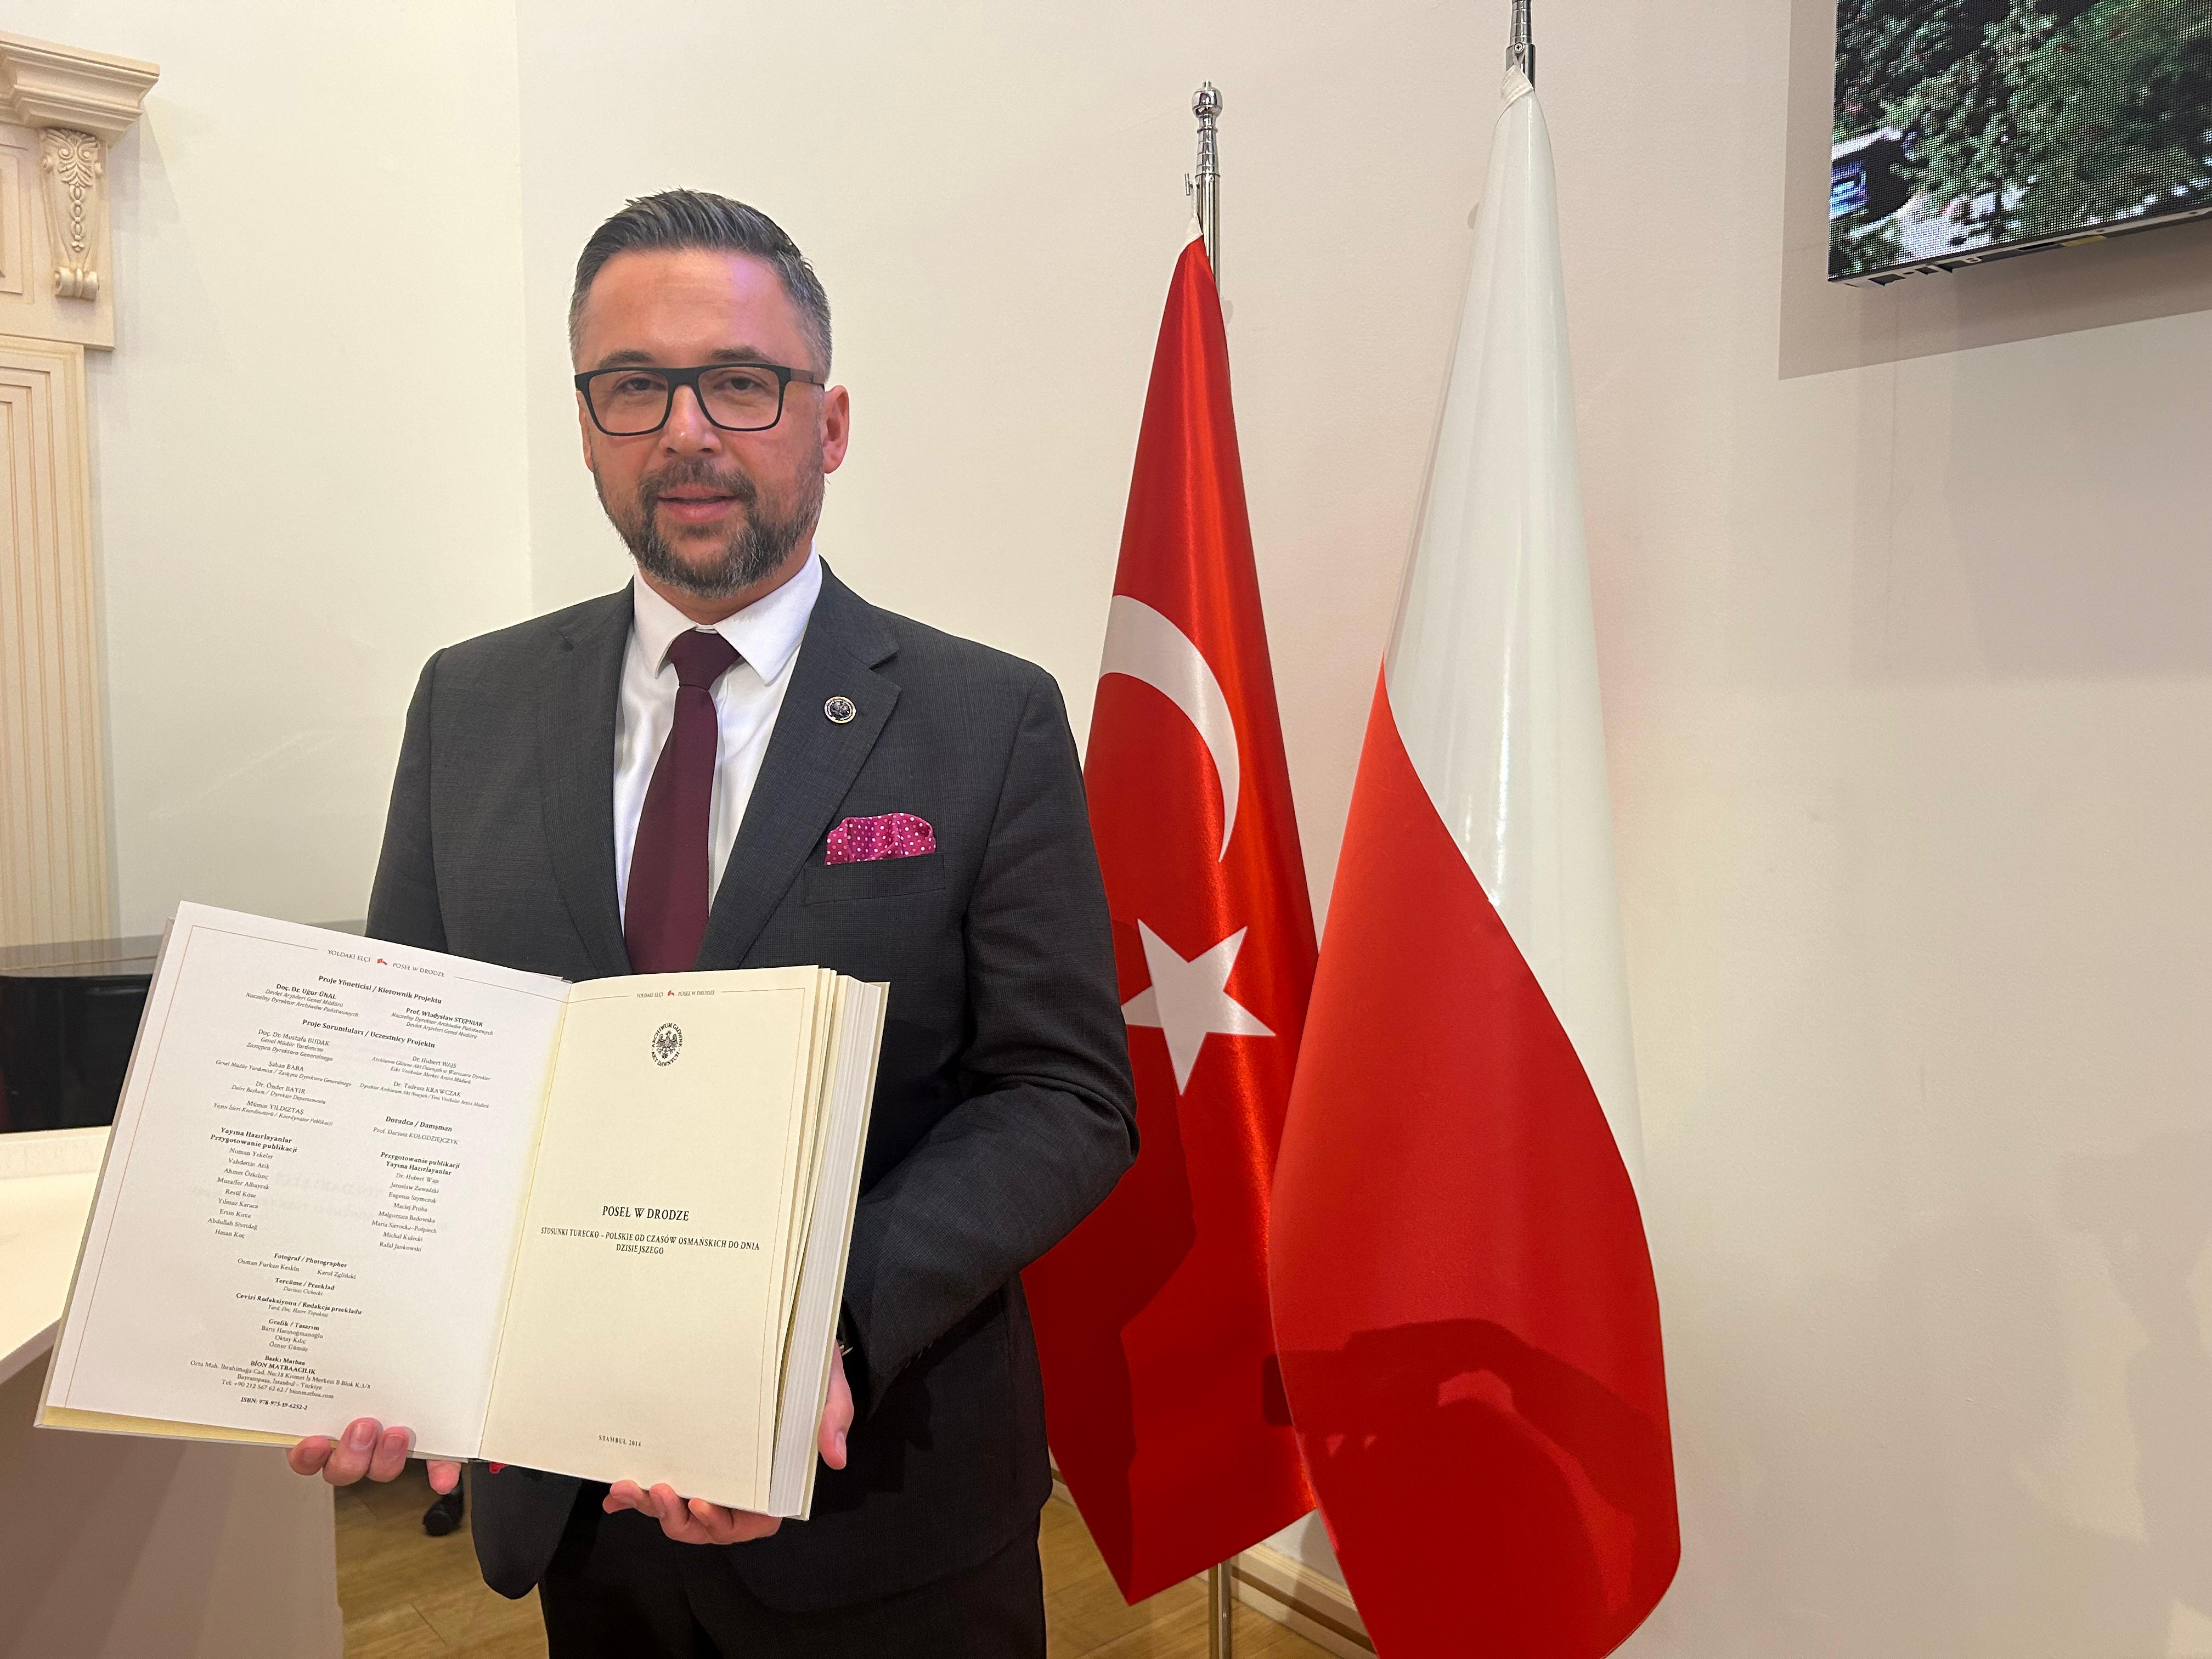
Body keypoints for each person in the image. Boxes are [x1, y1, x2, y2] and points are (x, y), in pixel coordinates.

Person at [284, 189, 1137, 1657]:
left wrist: (816, 1330)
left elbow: (1064, 1094)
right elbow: (409, 1069)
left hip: (881, 1498)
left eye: (742, 382)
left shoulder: (986, 721)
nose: (687, 431)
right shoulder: (468, 705)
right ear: (587, 424)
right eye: (635, 387)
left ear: (831, 423)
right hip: (570, 1501)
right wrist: (372, 1315)